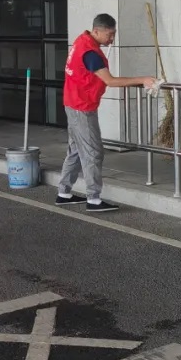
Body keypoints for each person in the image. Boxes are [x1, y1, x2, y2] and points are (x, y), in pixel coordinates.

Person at [56, 13, 156, 212]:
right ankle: (93, 199)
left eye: (114, 34)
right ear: (96, 31)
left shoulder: (82, 41)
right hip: (82, 108)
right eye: (110, 34)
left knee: (76, 151)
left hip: (73, 104)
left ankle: (63, 193)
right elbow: (110, 80)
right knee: (93, 153)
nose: (112, 39)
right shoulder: (90, 53)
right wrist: (143, 79)